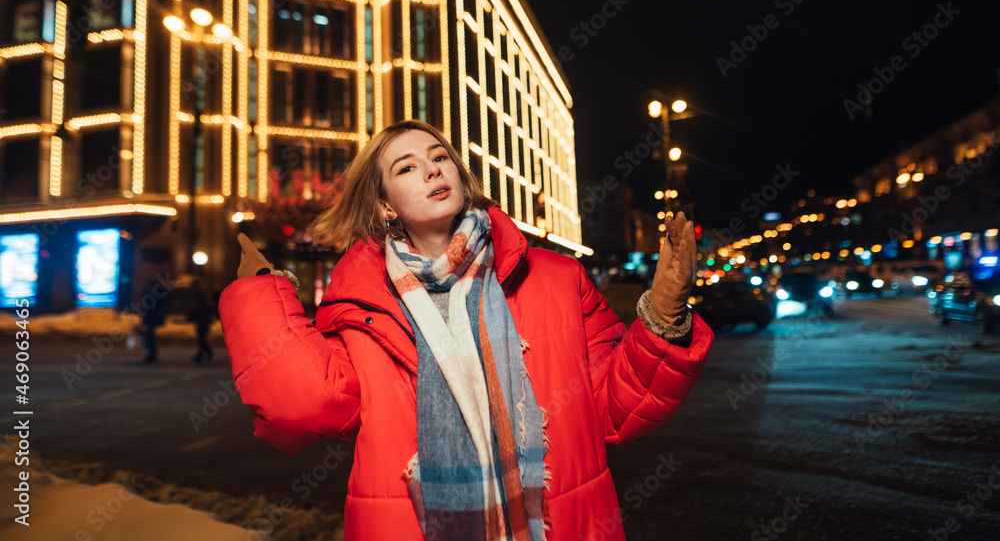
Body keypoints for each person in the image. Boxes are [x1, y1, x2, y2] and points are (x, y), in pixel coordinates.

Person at [219, 120, 714, 541]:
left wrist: (663, 315)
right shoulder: (359, 308)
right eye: (406, 167)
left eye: (440, 157)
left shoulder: (555, 279)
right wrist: (262, 297)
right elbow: (303, 406)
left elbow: (615, 410)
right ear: (385, 207)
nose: (433, 168)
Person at [139, 280, 171, 364]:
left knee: (150, 337)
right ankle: (152, 354)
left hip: (151, 319)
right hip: (151, 319)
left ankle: (152, 354)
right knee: (149, 337)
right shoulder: (156, 297)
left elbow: (149, 308)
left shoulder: (155, 297)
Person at [188, 293, 216, 363]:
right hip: (203, 326)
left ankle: (205, 353)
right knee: (202, 340)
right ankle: (203, 354)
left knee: (202, 340)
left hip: (201, 326)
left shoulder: (200, 308)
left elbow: (191, 316)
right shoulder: (205, 307)